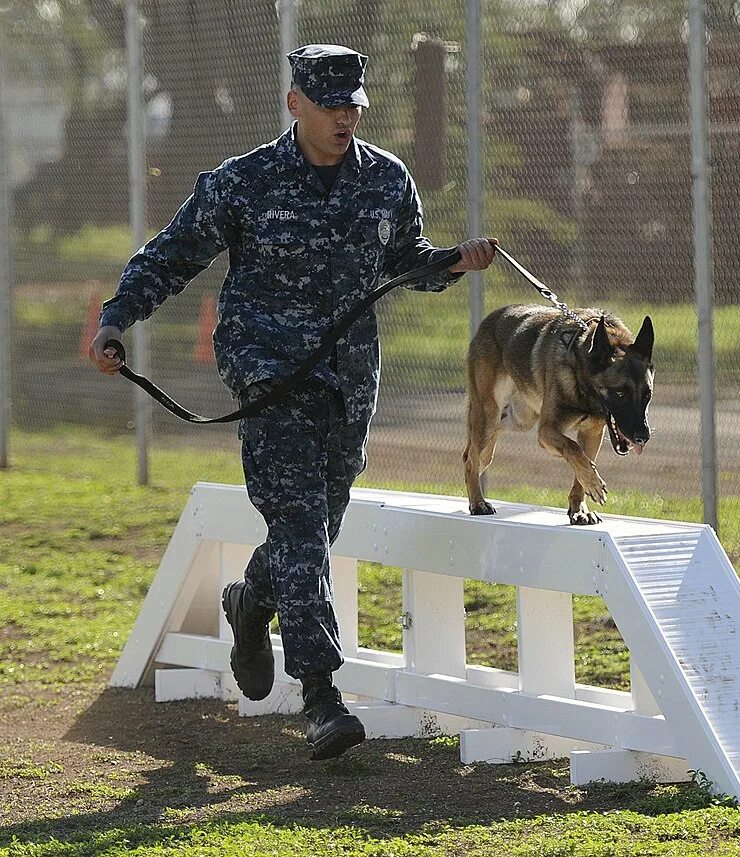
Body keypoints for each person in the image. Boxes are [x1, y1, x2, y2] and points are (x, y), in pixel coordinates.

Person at [89, 44, 496, 760]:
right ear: (295, 104)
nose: (346, 119)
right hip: (268, 374)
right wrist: (118, 316)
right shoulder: (243, 183)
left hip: (350, 380)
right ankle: (320, 693)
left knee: (318, 522)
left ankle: (250, 602)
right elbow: (173, 253)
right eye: (332, 106)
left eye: (354, 107)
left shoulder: (387, 181)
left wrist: (451, 263)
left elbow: (405, 263)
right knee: (303, 519)